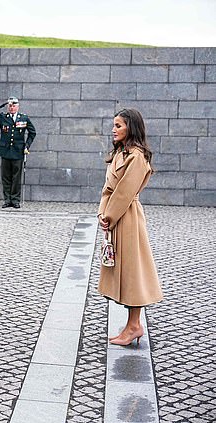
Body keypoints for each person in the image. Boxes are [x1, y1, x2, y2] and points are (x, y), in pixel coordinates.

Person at [97, 108, 163, 346]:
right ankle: (130, 325)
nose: (113, 130)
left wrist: (109, 215)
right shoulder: (120, 153)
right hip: (115, 217)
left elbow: (125, 193)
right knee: (123, 272)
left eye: (118, 126)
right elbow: (108, 188)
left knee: (133, 273)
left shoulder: (137, 157)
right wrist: (102, 213)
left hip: (128, 218)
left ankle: (134, 325)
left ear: (130, 128)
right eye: (113, 125)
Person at [0, 96, 36, 208]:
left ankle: (15, 200)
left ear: (18, 106)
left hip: (18, 151)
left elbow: (32, 133)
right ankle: (7, 200)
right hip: (5, 151)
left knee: (16, 177)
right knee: (6, 177)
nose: (12, 108)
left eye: (14, 105)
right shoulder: (3, 117)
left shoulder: (24, 118)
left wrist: (27, 146)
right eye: (10, 106)